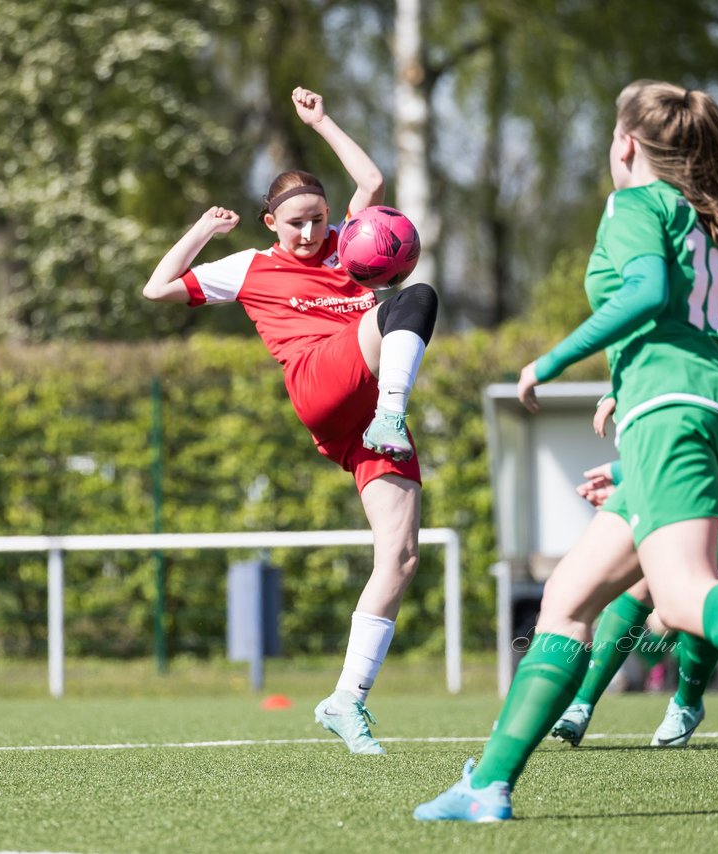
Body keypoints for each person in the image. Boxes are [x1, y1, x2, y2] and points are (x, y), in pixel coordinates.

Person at [413, 80, 718, 824]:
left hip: (674, 414)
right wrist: (630, 403)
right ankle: (490, 784)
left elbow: (643, 292)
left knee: (679, 595)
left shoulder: (634, 205)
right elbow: (683, 321)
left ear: (626, 144)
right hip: (706, 418)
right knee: (568, 600)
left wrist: (553, 359)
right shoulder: (701, 224)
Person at [142, 87, 439, 755]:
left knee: (400, 555)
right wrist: (201, 231)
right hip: (320, 382)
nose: (310, 234)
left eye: (318, 220)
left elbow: (372, 181)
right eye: (296, 223)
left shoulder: (351, 247)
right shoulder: (250, 266)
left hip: (367, 414)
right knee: (412, 299)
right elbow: (156, 288)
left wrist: (321, 121)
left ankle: (346, 699)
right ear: (270, 222)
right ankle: (393, 411)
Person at [550, 311, 718, 748]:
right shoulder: (673, 321)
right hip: (686, 482)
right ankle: (580, 702)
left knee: (698, 600)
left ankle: (688, 701)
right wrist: (617, 391)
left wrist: (625, 471)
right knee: (638, 587)